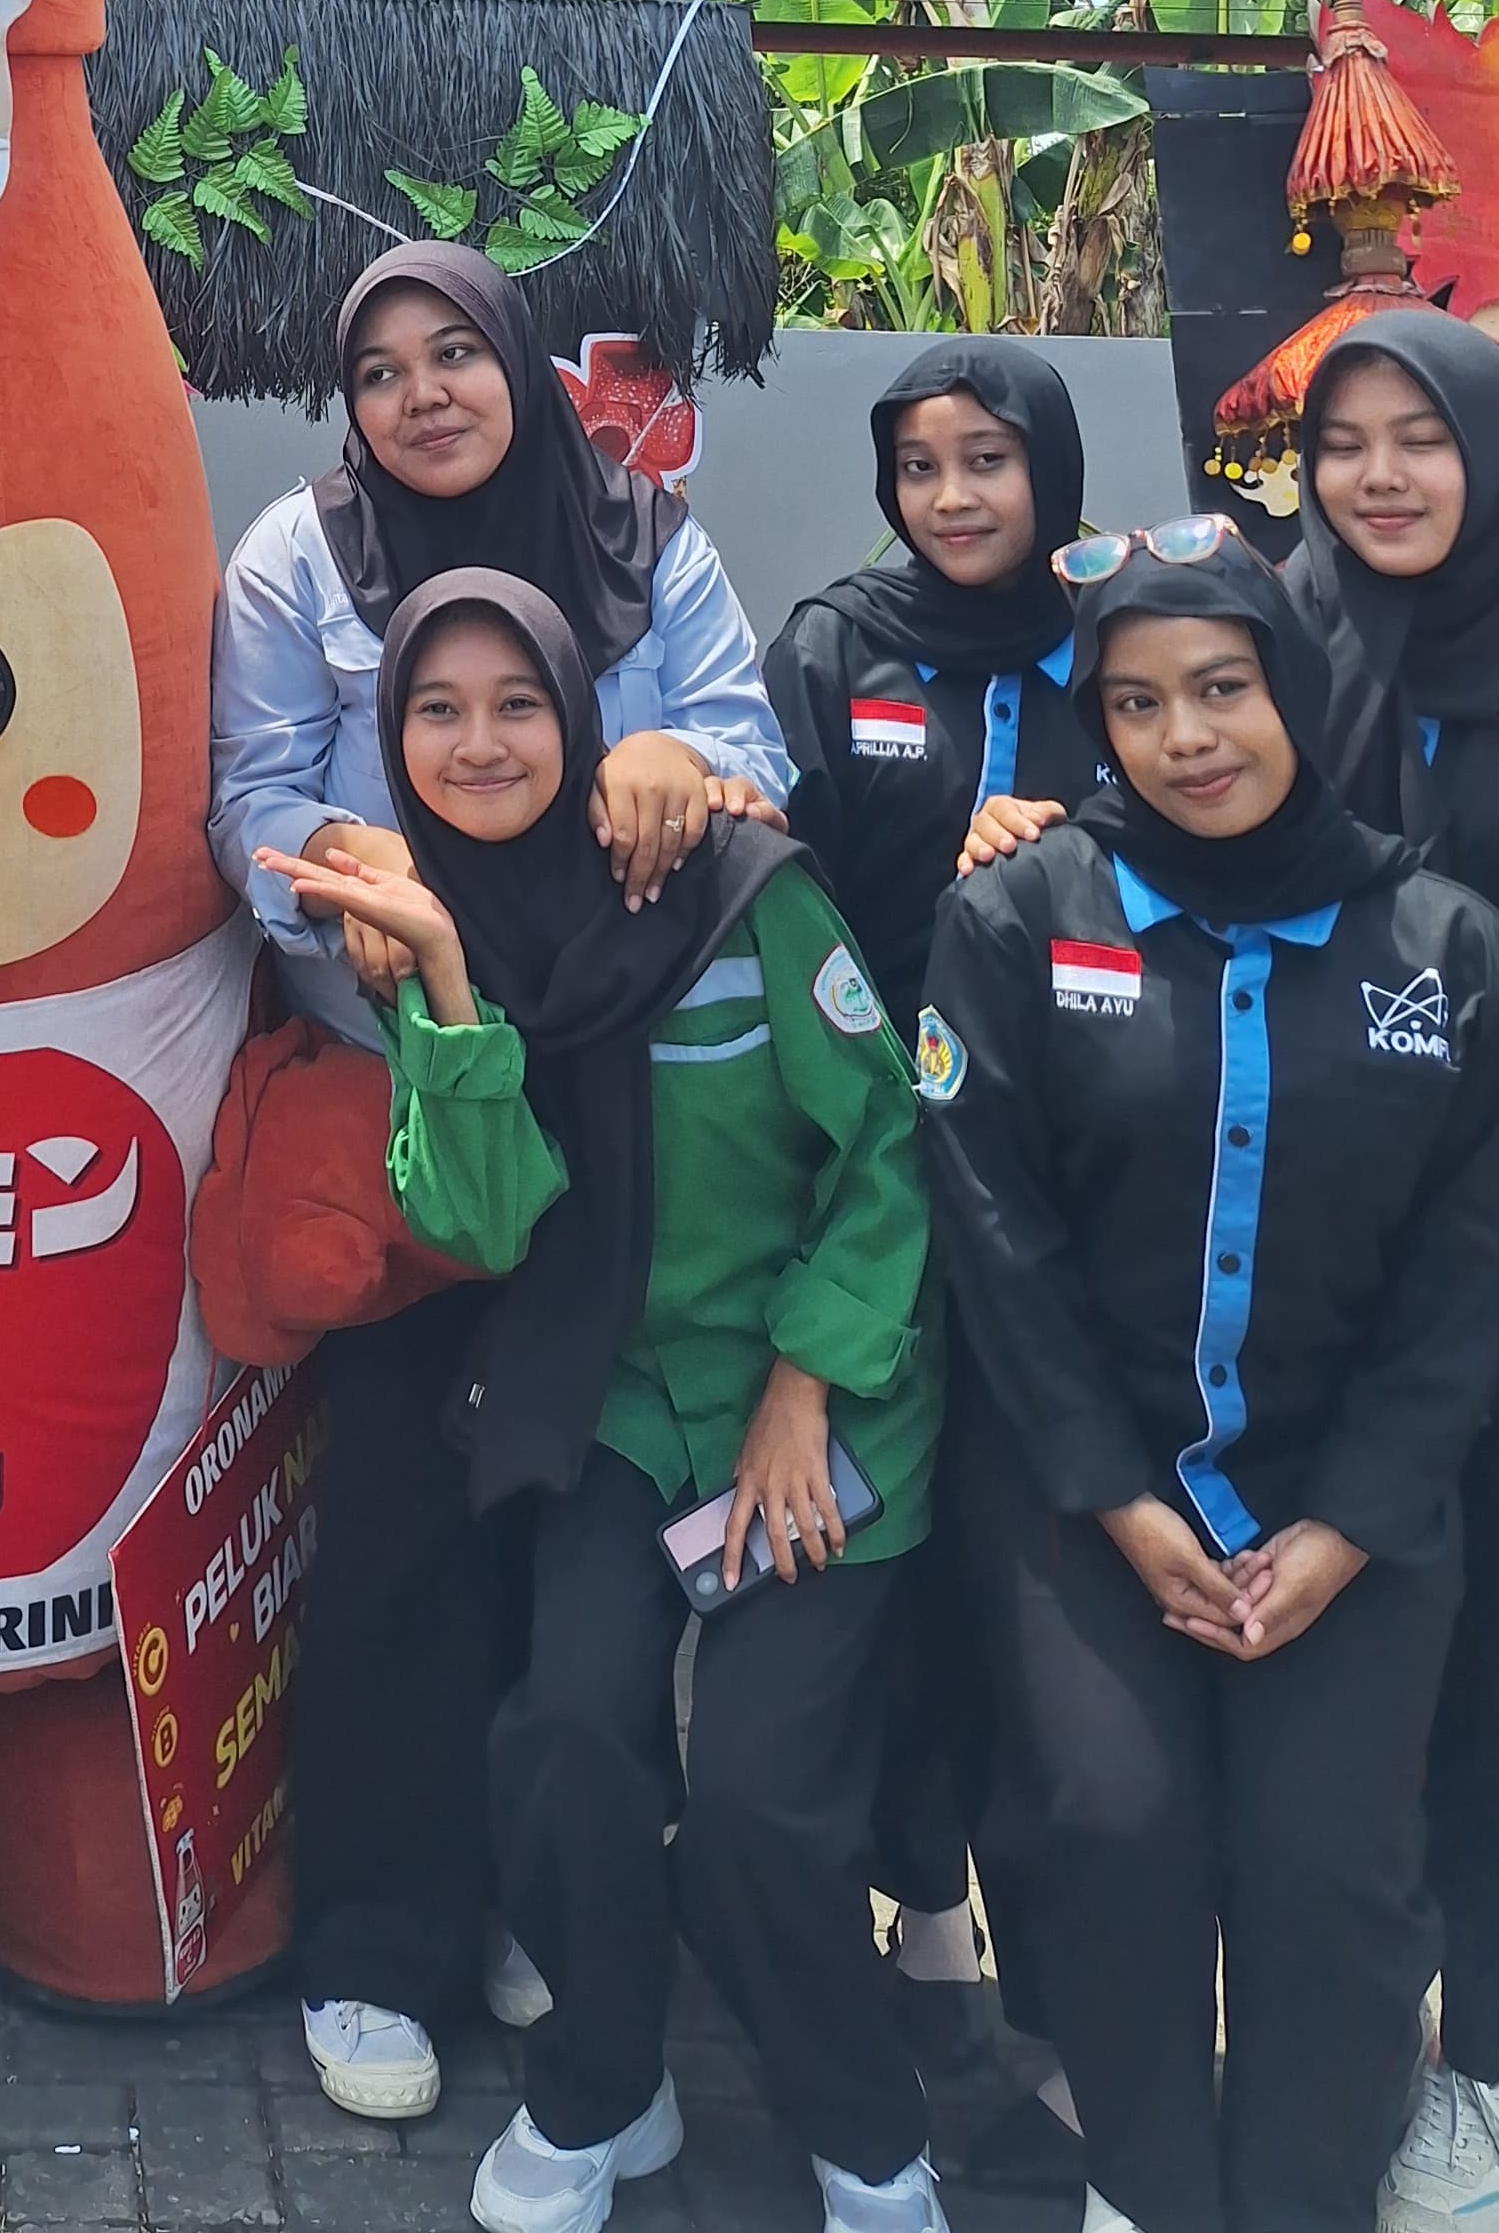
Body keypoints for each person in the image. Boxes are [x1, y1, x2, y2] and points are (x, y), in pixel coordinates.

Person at [275, 573, 945, 2233]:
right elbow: (491, 1223)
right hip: (619, 1413)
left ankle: (870, 2139)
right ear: (390, 742)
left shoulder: (736, 882)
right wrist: (444, 983)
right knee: (566, 1737)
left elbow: (887, 1151)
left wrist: (805, 1384)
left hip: (821, 1406)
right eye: (437, 711)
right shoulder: (431, 933)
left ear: (582, 715)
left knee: (762, 1803)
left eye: (519, 703)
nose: (481, 743)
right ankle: (601, 2080)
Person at [209, 241, 786, 2117]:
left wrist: (681, 750)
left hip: (630, 1112)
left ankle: (545, 1888)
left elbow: (753, 751)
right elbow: (244, 798)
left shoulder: (644, 538)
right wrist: (345, 857)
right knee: (400, 1527)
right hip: (406, 1117)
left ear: (520, 364)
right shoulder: (299, 556)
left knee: (582, 1527)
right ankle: (379, 1937)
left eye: (454, 352)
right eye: (379, 369)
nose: (421, 396)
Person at [922, 526, 1499, 2233]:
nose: (1188, 737)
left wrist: (1347, 1524)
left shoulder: (1444, 947)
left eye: (1225, 688)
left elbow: (1467, 1274)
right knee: (1113, 1830)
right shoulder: (1018, 918)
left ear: (1297, 692)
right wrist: (1116, 1497)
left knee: (1329, 1870)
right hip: (1090, 1492)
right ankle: (1149, 2185)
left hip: (1357, 1506)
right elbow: (997, 1239)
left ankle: (1307, 2190)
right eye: (1139, 703)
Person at [767, 342, 1096, 2089]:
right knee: (882, 1555)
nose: (953, 497)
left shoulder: (1123, 641)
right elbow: (780, 886)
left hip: (1074, 1181)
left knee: (1020, 1560)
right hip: (874, 1176)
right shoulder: (839, 646)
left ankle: (1056, 1964)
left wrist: (1070, 855)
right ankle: (915, 1895)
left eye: (989, 459)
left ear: (1054, 466)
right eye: (920, 465)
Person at [1290, 314, 1499, 2233]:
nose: (1379, 476)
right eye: (1344, 442)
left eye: (1419, 438)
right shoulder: (1291, 634)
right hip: (1325, 1234)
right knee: (1365, 1665)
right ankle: (1348, 2041)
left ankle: (1480, 2072)